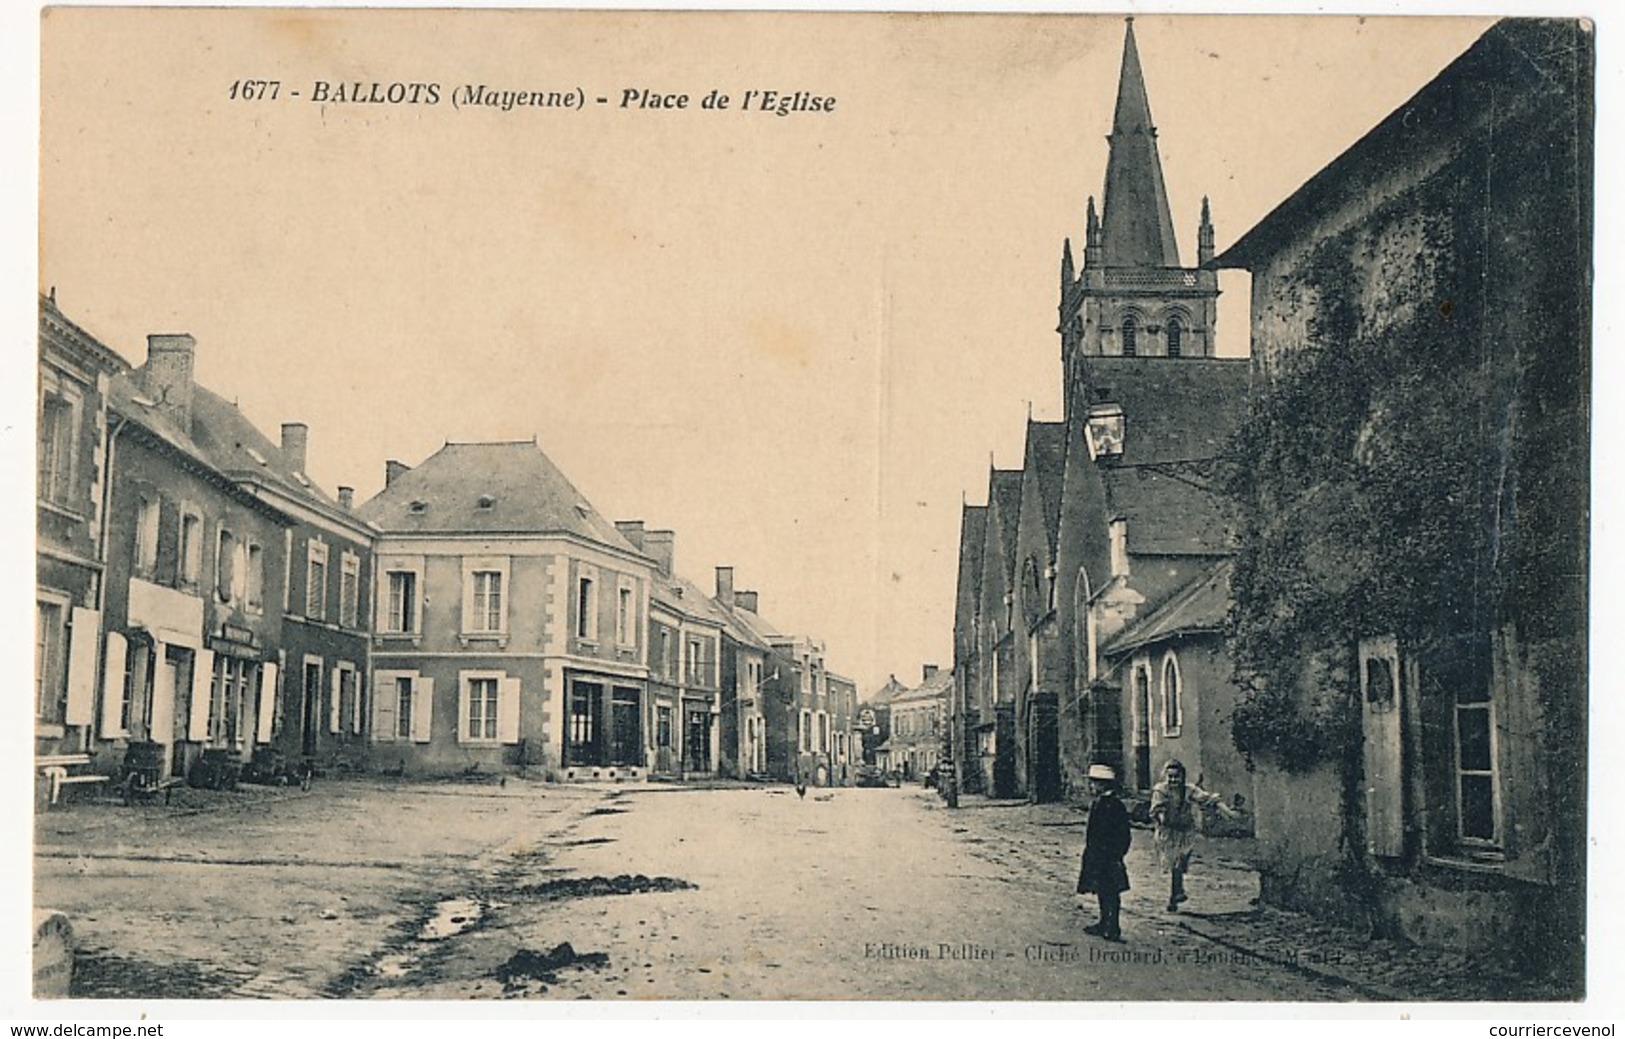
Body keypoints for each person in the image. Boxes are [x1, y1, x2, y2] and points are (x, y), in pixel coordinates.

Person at [1150, 758, 1237, 913]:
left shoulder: (1189, 790)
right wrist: (1163, 818)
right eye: (1170, 777)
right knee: (1174, 862)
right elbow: (1157, 810)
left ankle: (1176, 894)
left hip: (1185, 831)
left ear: (1182, 777)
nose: (1173, 780)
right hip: (1168, 832)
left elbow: (1208, 799)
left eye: (1176, 777)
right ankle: (1175, 895)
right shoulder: (1161, 791)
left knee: (1181, 861)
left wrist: (1228, 812)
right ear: (1165, 777)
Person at [1076, 763, 1131, 942]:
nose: (1091, 787)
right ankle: (1103, 921)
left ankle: (1113, 926)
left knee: (1111, 891)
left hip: (1109, 856)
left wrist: (1117, 854)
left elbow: (1124, 834)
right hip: (1096, 855)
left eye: (1093, 783)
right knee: (1101, 889)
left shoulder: (1115, 806)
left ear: (1102, 785)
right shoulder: (1098, 803)